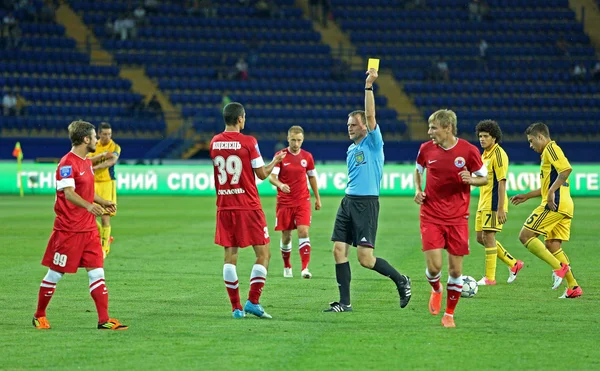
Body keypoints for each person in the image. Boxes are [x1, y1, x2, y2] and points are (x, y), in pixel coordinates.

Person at [324, 68, 412, 313]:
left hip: (366, 204)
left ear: (365, 127)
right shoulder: (351, 150)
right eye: (348, 124)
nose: (349, 128)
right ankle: (345, 303)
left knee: (365, 259)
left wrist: (368, 86)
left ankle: (401, 280)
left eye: (354, 124)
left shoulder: (373, 143)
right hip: (348, 201)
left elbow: (371, 115)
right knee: (338, 249)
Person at [32, 120, 127, 330]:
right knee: (55, 274)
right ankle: (39, 315)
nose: (96, 140)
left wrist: (103, 202)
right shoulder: (67, 163)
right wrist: (90, 207)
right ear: (86, 139)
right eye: (94, 137)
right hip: (68, 230)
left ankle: (104, 320)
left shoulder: (86, 162)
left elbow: (87, 192)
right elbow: (69, 193)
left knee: (97, 272)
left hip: (89, 229)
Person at [210, 102, 287, 319]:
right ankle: (253, 301)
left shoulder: (214, 142)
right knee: (263, 254)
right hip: (248, 206)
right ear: (241, 118)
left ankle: (236, 308)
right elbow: (262, 175)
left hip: (224, 206)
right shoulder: (249, 142)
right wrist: (276, 161)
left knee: (230, 257)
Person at [414, 109, 488, 328]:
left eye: (434, 128)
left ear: (448, 128)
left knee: (456, 271)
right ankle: (436, 289)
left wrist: (472, 180)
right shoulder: (426, 149)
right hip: (431, 215)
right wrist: (418, 189)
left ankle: (449, 314)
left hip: (457, 218)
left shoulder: (468, 151)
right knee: (435, 268)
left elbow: (484, 178)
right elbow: (418, 171)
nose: (429, 132)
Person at [510, 122, 582, 299]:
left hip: (554, 203)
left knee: (525, 236)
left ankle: (559, 268)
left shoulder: (550, 148)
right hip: (564, 205)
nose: (530, 145)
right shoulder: (547, 155)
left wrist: (550, 193)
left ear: (540, 136)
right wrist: (527, 195)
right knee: (552, 244)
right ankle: (573, 287)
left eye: (531, 141)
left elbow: (566, 170)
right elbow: (549, 185)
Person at [474, 120, 524, 286]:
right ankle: (513, 263)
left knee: (488, 236)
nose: (482, 139)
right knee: (480, 238)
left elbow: (502, 181)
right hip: (483, 202)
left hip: (494, 202)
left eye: (485, 136)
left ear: (494, 138)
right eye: (480, 136)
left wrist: (501, 207)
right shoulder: (484, 155)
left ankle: (489, 278)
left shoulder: (498, 154)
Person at [269, 125, 321, 279]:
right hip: (284, 202)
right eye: (293, 140)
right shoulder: (280, 155)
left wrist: (317, 198)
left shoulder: (307, 157)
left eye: (299, 140)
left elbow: (312, 177)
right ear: (288, 139)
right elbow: (272, 177)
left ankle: (305, 268)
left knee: (303, 231)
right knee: (286, 236)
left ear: (302, 140)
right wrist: (280, 185)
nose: (296, 144)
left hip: (302, 201)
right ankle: (287, 266)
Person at [88, 122, 121, 258]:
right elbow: (87, 160)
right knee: (89, 216)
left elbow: (111, 161)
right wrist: (101, 157)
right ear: (99, 133)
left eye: (109, 134)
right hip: (93, 183)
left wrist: (95, 168)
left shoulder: (115, 147)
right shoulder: (93, 145)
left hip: (107, 183)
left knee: (105, 217)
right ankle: (105, 236)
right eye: (105, 134)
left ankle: (104, 248)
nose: (107, 136)